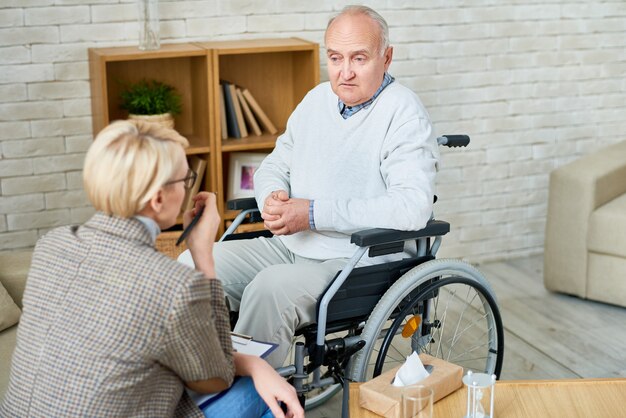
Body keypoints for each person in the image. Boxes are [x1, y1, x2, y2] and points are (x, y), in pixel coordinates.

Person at [0, 120, 303, 418]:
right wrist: (203, 256)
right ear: (158, 198)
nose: (188, 189)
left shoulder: (52, 244)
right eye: (186, 181)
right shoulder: (172, 285)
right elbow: (215, 375)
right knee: (274, 394)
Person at [193, 5, 440, 369]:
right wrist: (272, 197)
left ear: (386, 57)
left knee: (269, 290)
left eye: (359, 58)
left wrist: (311, 213)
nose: (345, 72)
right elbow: (275, 163)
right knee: (192, 265)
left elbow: (411, 206)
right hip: (291, 247)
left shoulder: (404, 114)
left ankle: (248, 401)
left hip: (354, 261)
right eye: (335, 57)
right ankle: (199, 375)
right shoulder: (316, 100)